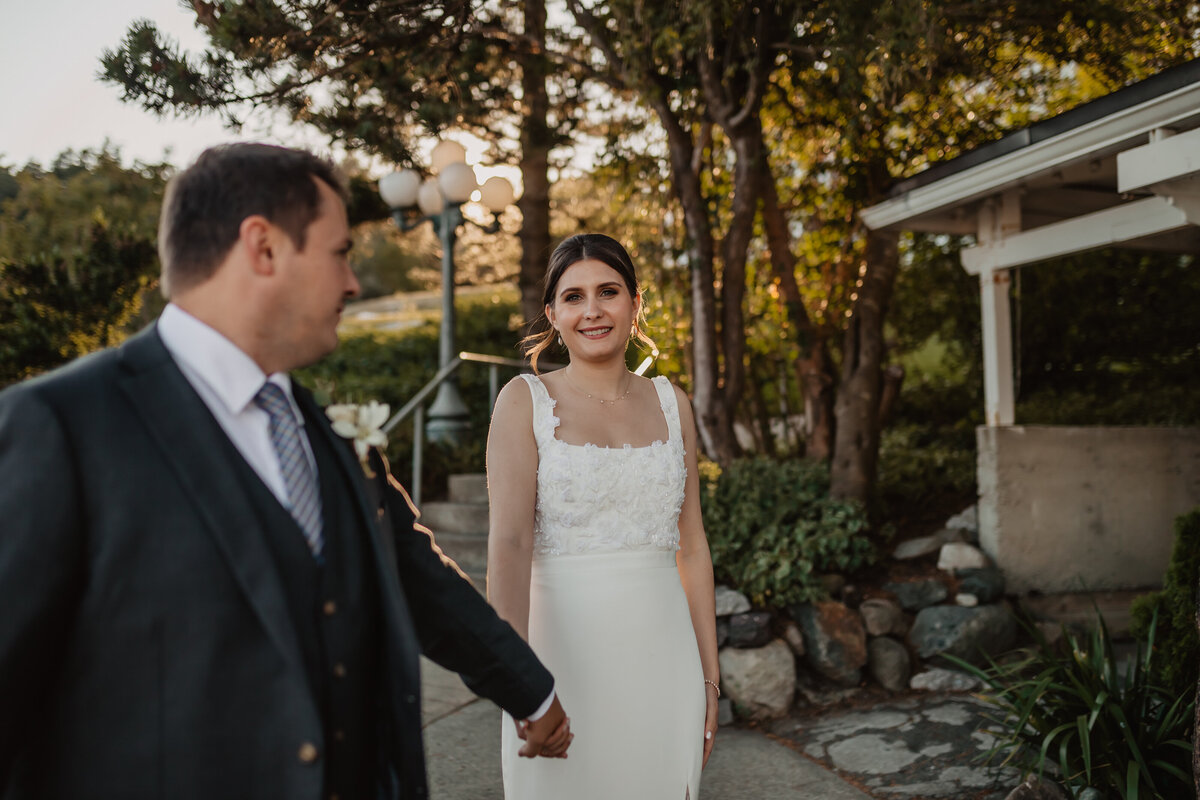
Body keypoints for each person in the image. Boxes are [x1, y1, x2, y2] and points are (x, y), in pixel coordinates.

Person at [0, 142, 571, 800]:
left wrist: (530, 688)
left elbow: (417, 578)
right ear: (263, 247)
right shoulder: (60, 426)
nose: (353, 283)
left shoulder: (325, 431)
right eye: (339, 252)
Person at [487, 233, 720, 799]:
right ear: (553, 314)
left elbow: (691, 545)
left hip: (666, 663)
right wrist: (518, 683)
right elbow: (510, 547)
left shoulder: (673, 402)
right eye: (573, 297)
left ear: (635, 303)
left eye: (608, 291)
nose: (592, 310)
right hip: (560, 664)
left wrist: (710, 680)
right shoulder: (524, 401)